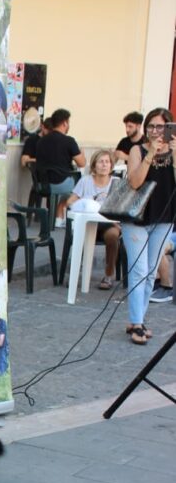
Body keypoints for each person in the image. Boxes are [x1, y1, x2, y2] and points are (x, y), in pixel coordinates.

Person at [123, 106, 176, 345]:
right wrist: (150, 154)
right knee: (139, 270)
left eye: (160, 127)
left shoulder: (174, 151)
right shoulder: (137, 149)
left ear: (169, 129)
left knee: (150, 271)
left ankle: (138, 318)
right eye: (151, 126)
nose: (155, 131)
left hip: (163, 218)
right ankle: (136, 323)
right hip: (136, 218)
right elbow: (135, 182)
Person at [66, 148, 122, 290]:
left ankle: (109, 275)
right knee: (80, 234)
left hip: (109, 224)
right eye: (100, 162)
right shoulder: (85, 181)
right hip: (88, 223)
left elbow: (121, 207)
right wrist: (85, 203)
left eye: (107, 162)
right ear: (94, 165)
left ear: (111, 165)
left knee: (113, 236)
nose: (104, 165)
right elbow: (70, 201)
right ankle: (75, 274)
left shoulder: (117, 182)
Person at [34, 108, 86, 227]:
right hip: (61, 183)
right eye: (68, 122)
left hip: (42, 184)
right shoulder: (69, 141)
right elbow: (82, 163)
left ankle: (59, 218)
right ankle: (63, 216)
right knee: (82, 186)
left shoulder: (41, 141)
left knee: (71, 188)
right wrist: (82, 153)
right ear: (64, 123)